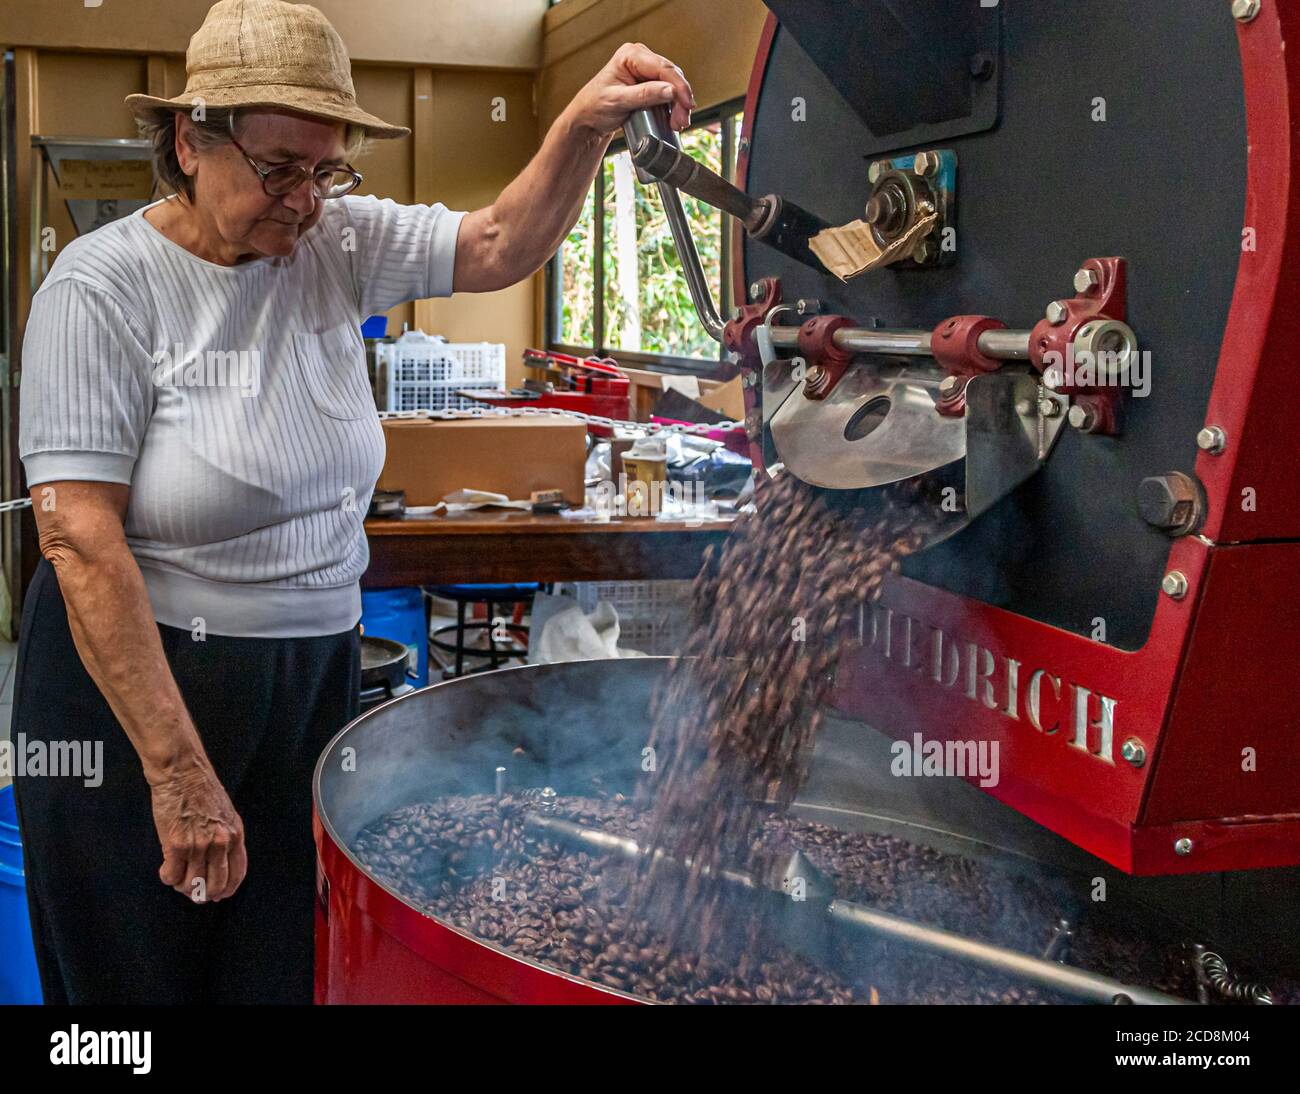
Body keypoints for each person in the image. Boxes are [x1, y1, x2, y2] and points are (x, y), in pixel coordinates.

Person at [13, 0, 693, 1004]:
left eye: (326, 170)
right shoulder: (103, 285)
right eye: (278, 167)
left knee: (281, 965)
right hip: (143, 689)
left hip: (310, 677)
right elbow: (78, 536)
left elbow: (501, 239)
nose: (303, 201)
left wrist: (584, 125)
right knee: (134, 986)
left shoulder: (337, 243)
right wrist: (180, 773)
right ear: (187, 141)